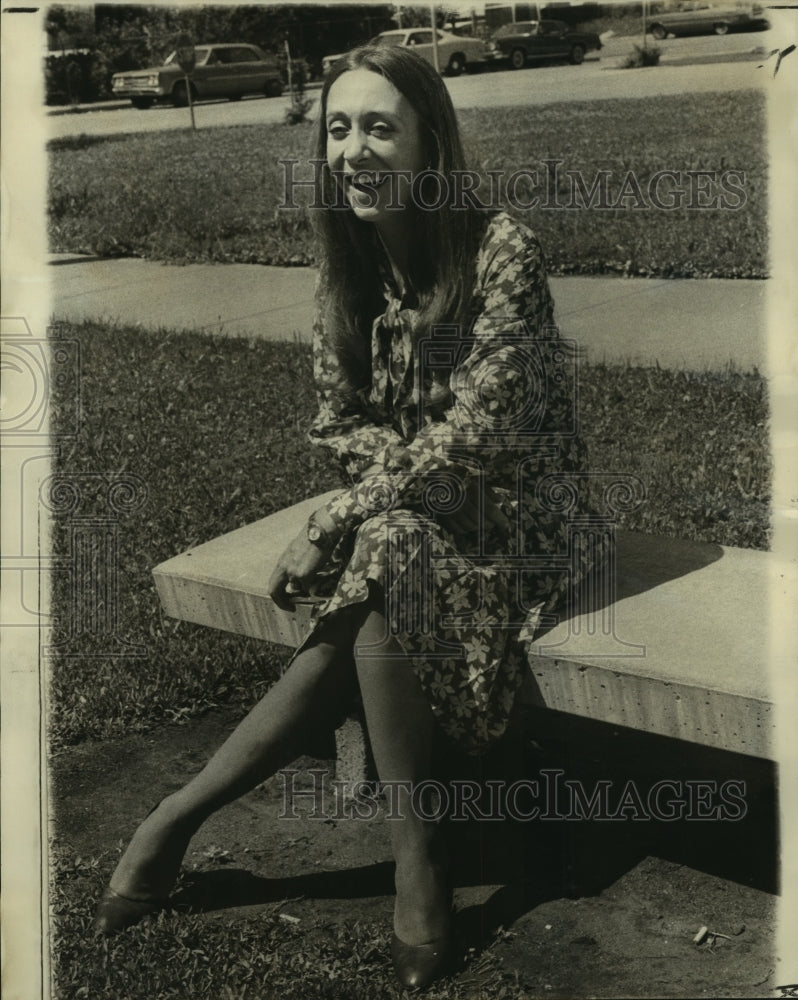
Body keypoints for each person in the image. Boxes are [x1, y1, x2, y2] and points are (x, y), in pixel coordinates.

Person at [93, 44, 596, 989]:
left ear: (429, 143)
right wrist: (371, 495)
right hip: (415, 514)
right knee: (390, 555)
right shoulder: (350, 265)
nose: (354, 150)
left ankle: (182, 820)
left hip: (520, 520)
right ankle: (416, 855)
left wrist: (339, 518)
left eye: (379, 127)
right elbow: (340, 422)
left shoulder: (502, 252)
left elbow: (482, 437)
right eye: (336, 128)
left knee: (383, 547)